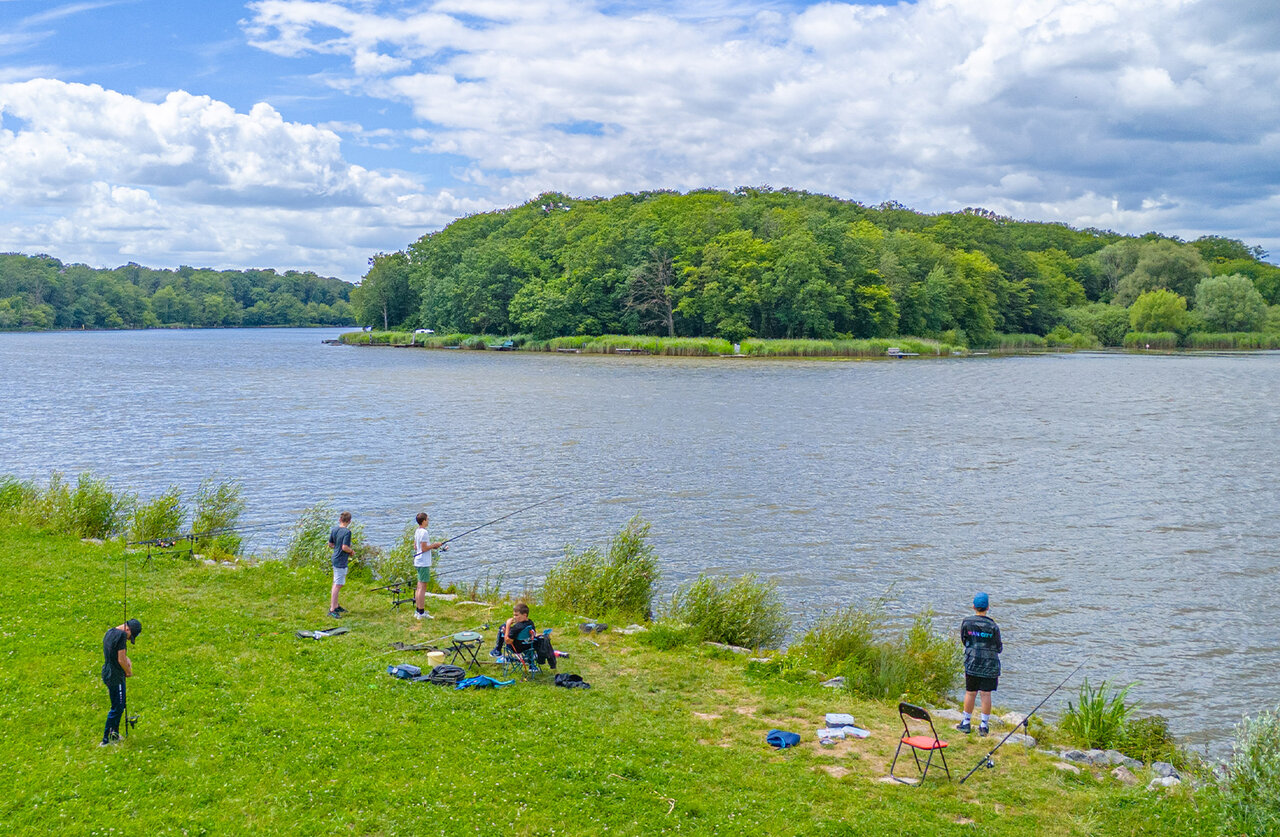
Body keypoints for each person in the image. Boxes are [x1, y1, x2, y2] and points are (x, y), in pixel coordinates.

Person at [958, 592, 1002, 736]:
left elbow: (964, 640)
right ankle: (983, 726)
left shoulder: (967, 622)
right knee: (985, 694)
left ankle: (966, 723)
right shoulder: (993, 625)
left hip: (972, 662)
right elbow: (998, 647)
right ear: (988, 607)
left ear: (973, 607)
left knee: (970, 692)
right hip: (989, 665)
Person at [100, 618, 141, 746]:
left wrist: (127, 658)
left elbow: (115, 652)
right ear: (128, 629)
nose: (129, 639)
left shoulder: (110, 632)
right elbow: (121, 660)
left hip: (107, 672)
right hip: (116, 676)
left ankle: (114, 733)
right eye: (130, 637)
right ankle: (106, 740)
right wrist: (128, 671)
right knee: (117, 707)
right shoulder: (122, 636)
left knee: (119, 704)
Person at [411, 512, 444, 620]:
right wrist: (435, 545)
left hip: (418, 561)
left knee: (419, 586)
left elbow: (416, 547)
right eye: (427, 519)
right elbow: (424, 548)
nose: (428, 521)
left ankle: (418, 610)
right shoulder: (424, 532)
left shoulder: (417, 531)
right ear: (423, 521)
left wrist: (431, 546)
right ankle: (421, 612)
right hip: (423, 562)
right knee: (422, 587)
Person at [328, 511, 354, 618]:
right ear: (349, 521)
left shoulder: (334, 530)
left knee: (337, 582)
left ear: (340, 520)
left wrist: (337, 548)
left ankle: (336, 605)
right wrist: (351, 551)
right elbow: (344, 547)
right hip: (340, 560)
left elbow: (330, 544)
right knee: (338, 584)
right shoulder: (347, 532)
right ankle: (332, 609)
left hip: (335, 558)